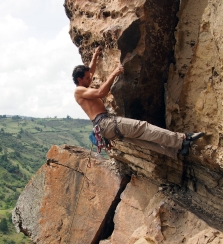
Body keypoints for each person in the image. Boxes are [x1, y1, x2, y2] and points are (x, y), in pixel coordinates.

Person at [73, 46, 204, 159]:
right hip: (106, 123)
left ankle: (177, 150)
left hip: (104, 128)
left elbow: (90, 70)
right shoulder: (79, 91)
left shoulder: (83, 87)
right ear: (79, 79)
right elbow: (101, 92)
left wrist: (95, 55)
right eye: (87, 78)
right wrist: (114, 73)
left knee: (143, 139)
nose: (90, 78)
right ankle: (183, 139)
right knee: (142, 127)